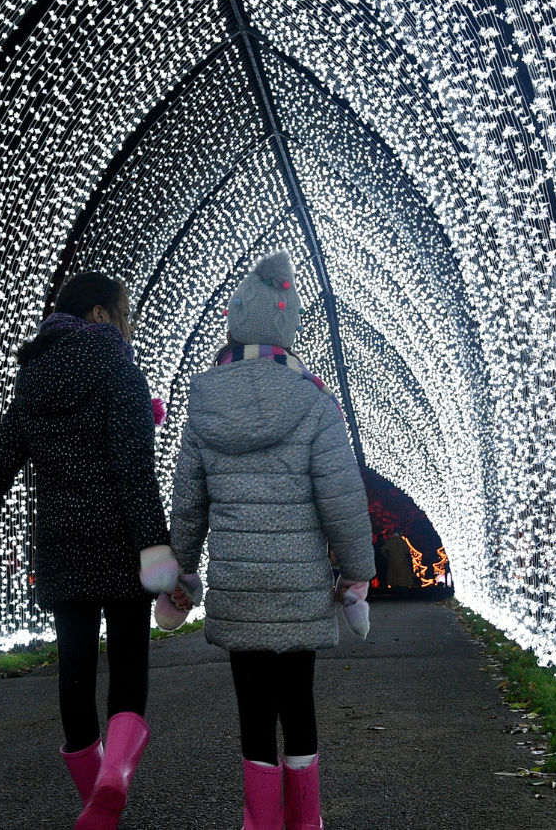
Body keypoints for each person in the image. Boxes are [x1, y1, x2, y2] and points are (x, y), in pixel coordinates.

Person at [0, 271, 178, 830]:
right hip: (119, 542)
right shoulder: (121, 372)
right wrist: (156, 552)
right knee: (130, 665)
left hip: (61, 547)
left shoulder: (33, 380)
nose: (129, 324)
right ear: (97, 316)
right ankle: (114, 778)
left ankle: (94, 796)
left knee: (75, 668)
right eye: (122, 313)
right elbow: (135, 474)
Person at [165, 252, 375, 830]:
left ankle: (258, 821)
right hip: (300, 583)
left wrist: (179, 574)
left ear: (232, 324)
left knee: (253, 710)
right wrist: (356, 570)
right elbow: (341, 496)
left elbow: (188, 504)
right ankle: (305, 822)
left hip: (239, 582)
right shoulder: (313, 401)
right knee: (298, 702)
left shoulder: (204, 405)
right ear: (288, 328)